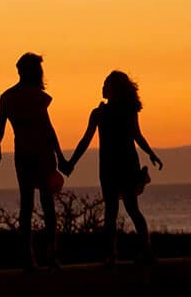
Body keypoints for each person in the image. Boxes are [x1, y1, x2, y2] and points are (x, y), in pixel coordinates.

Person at [65, 70, 163, 268]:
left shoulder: (103, 113)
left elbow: (87, 140)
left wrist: (71, 162)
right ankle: (141, 250)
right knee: (129, 209)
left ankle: (115, 255)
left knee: (115, 211)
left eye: (105, 84)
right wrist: (72, 162)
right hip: (122, 165)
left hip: (114, 166)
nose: (102, 87)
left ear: (113, 89)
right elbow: (137, 136)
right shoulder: (114, 112)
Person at [0, 52, 67, 272]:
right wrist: (60, 156)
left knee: (27, 205)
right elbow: (48, 129)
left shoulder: (7, 97)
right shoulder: (37, 97)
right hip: (41, 153)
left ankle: (28, 257)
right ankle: (50, 255)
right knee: (47, 205)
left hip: (23, 154)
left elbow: (0, 128)